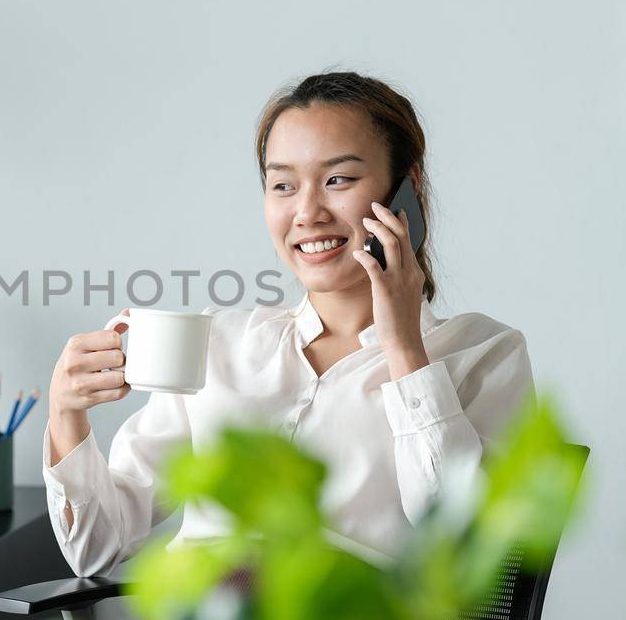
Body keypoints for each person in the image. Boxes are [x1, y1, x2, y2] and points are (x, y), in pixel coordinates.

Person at [42, 71, 536, 577]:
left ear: (404, 193)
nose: (307, 212)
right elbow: (98, 548)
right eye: (283, 185)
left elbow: (460, 553)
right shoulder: (217, 344)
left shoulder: (483, 353)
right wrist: (65, 413)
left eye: (337, 180)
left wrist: (405, 349)